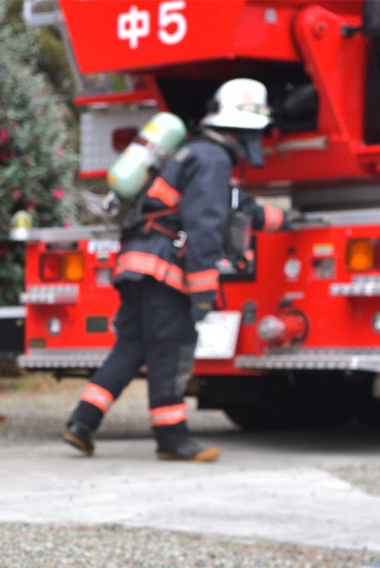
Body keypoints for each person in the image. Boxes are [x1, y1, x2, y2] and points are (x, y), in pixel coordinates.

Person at [63, 78, 289, 462]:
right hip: (164, 271)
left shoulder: (194, 154)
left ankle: (81, 422)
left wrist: (285, 220)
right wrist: (203, 291)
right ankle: (172, 439)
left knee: (130, 348)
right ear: (245, 126)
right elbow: (205, 225)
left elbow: (238, 207)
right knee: (171, 352)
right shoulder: (214, 160)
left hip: (137, 264)